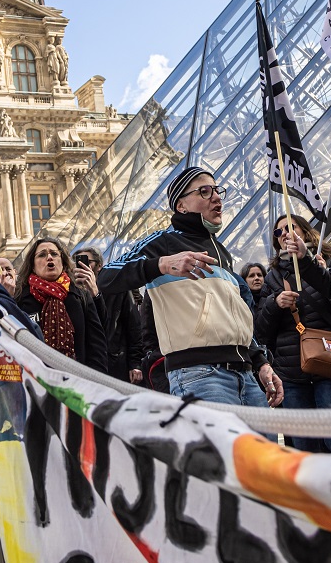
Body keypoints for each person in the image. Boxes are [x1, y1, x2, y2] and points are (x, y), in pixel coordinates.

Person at [98, 166, 283, 408]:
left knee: (261, 448)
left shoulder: (222, 252)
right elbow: (105, 277)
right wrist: (162, 264)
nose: (216, 197)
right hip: (200, 375)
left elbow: (235, 317)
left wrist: (261, 363)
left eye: (217, 191)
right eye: (204, 191)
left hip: (246, 375)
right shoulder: (163, 241)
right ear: (181, 205)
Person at [258, 214, 331, 454]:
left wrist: (315, 269)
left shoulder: (328, 262)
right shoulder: (272, 277)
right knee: (305, 447)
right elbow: (260, 331)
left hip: (330, 364)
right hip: (292, 374)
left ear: (304, 231)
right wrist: (275, 303)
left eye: (290, 228)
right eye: (278, 232)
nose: (283, 233)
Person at [13, 238, 109, 371]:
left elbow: (97, 342)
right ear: (33, 266)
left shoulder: (79, 295)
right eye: (42, 255)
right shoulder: (20, 298)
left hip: (78, 379)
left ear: (63, 263)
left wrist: (96, 379)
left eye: (54, 254)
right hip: (36, 380)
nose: (49, 258)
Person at [72, 246, 144, 383]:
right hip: (85, 365)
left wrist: (135, 363)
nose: (81, 267)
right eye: (76, 262)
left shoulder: (117, 289)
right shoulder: (69, 293)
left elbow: (134, 328)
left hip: (115, 364)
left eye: (87, 262)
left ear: (99, 266)